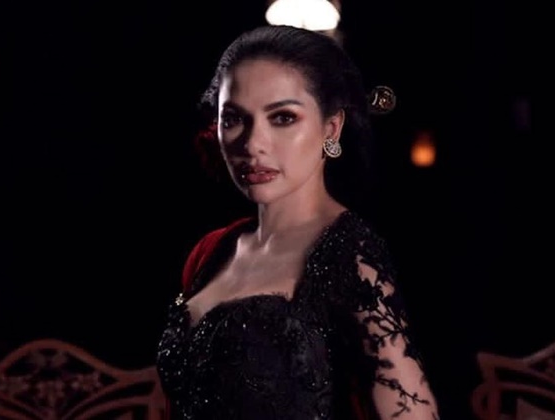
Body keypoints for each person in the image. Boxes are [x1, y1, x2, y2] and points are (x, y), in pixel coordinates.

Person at [156, 24, 440, 420]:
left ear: (331, 127)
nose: (253, 144)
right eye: (233, 118)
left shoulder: (348, 254)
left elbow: (413, 412)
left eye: (283, 118)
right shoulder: (212, 250)